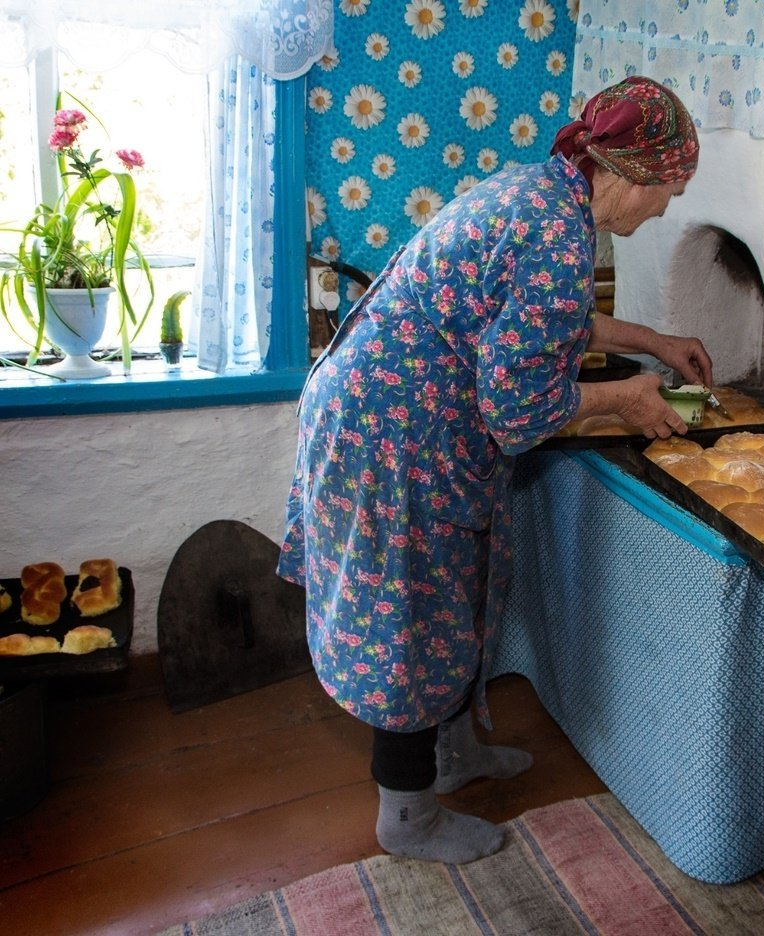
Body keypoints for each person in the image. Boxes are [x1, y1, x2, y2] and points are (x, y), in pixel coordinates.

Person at [277, 76, 711, 865]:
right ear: (630, 174)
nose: (664, 213)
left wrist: (652, 340)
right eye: (669, 192)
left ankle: (453, 756)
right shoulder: (556, 232)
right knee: (408, 614)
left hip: (384, 411)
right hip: (392, 436)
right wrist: (628, 399)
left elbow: (547, 313)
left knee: (451, 595)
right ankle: (405, 815)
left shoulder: (544, 193)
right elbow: (519, 410)